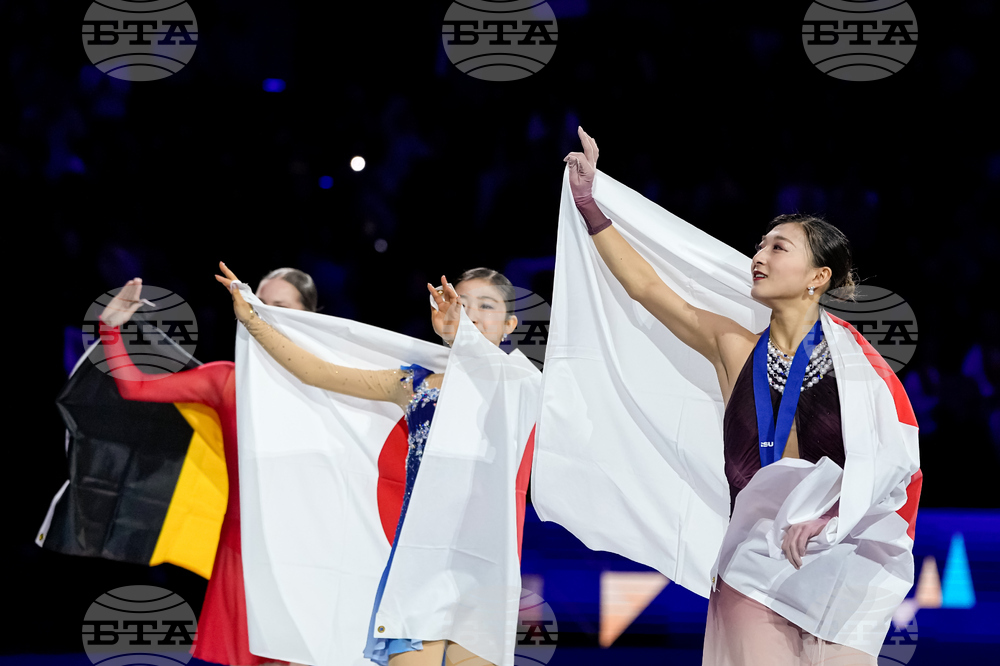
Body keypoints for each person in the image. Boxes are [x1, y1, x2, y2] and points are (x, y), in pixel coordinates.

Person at [561, 126, 918, 664]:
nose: (759, 256)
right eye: (759, 246)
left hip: (840, 568)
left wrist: (832, 516)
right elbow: (648, 289)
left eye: (779, 247)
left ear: (817, 277)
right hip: (754, 565)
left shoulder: (858, 370)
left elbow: (893, 462)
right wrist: (590, 205)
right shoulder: (733, 348)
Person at [215, 262, 523, 666]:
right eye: (461, 304)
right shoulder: (414, 384)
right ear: (442, 313)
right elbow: (316, 371)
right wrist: (253, 319)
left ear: (511, 323)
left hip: (485, 567)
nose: (473, 314)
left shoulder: (525, 389)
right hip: (419, 564)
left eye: (487, 306)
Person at [98, 268, 319, 666]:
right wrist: (110, 329)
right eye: (257, 305)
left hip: (316, 544)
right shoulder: (225, 381)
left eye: (280, 306)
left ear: (310, 315)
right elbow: (135, 386)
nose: (265, 314)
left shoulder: (337, 385)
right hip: (246, 548)